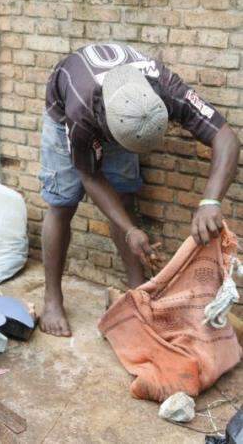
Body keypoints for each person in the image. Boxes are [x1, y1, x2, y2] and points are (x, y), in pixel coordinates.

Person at [38, 43, 240, 337]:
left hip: (119, 107)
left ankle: (137, 291)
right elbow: (90, 176)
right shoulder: (80, 112)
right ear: (108, 127)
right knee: (62, 203)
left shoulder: (167, 88)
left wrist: (210, 201)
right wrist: (129, 230)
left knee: (124, 200)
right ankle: (52, 299)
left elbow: (226, 138)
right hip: (64, 116)